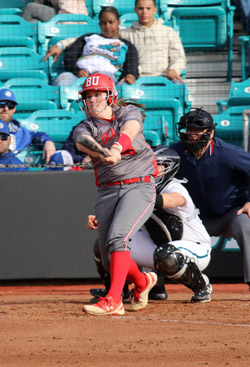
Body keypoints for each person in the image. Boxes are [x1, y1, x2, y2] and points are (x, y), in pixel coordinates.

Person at [73, 73, 159, 316]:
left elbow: (131, 129)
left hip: (139, 185)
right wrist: (102, 151)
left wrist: (117, 148)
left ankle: (114, 300)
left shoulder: (126, 112)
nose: (92, 100)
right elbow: (82, 141)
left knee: (118, 239)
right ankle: (142, 283)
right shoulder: (85, 125)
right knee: (109, 258)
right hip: (108, 191)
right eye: (88, 96)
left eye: (98, 94)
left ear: (111, 96)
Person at [88, 146, 213, 303]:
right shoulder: (138, 190)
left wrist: (136, 198)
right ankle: (118, 290)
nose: (148, 169)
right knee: (107, 244)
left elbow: (174, 199)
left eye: (155, 165)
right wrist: (102, 217)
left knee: (167, 255)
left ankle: (202, 286)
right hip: (156, 248)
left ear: (169, 167)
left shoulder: (174, 186)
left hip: (195, 247)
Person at [171, 109, 250, 301]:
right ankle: (155, 285)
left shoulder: (228, 153)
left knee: (249, 226)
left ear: (210, 132)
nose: (192, 134)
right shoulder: (175, 153)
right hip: (193, 218)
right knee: (164, 229)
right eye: (188, 129)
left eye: (197, 130)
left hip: (230, 213)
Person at [43, 0, 186, 83]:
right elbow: (92, 38)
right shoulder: (125, 33)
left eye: (148, 8)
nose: (144, 12)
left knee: (178, 85)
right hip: (138, 78)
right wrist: (61, 44)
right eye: (141, 8)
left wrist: (174, 69)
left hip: (163, 77)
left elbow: (179, 56)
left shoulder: (168, 32)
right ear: (135, 10)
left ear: (155, 10)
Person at [0, 89, 57, 164]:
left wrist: (48, 141)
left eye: (10, 106)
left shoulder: (17, 129)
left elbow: (36, 135)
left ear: (14, 109)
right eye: (1, 104)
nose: (6, 109)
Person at [53, 6, 139, 86]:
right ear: (99, 24)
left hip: (105, 76)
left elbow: (132, 67)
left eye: (111, 22)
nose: (107, 26)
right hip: (80, 75)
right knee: (62, 79)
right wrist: (77, 70)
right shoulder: (89, 38)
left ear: (118, 23)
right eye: (103, 23)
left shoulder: (126, 45)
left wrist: (130, 75)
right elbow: (69, 58)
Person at [21, 0, 88, 23]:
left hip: (67, 22)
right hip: (82, 21)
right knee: (33, 22)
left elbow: (68, 14)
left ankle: (19, 38)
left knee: (30, 7)